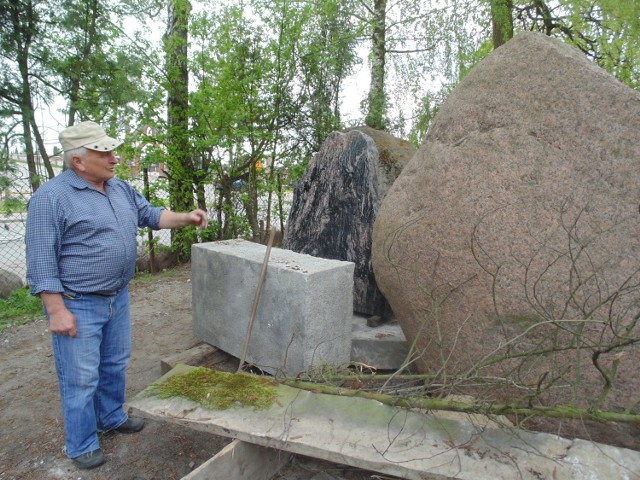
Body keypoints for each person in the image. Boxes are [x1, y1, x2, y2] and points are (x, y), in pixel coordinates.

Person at [25, 121, 208, 470]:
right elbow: (41, 259)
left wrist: (186, 217)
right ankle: (81, 445)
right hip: (78, 303)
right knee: (81, 377)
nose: (114, 158)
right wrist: (56, 310)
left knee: (113, 363)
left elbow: (150, 214)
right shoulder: (51, 198)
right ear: (78, 162)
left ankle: (110, 416)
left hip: (116, 297)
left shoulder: (118, 188)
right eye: (104, 152)